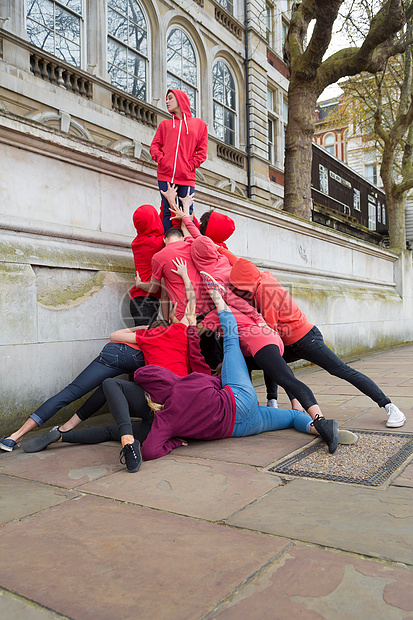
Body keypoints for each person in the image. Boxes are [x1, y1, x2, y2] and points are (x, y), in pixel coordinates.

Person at [136, 280, 348, 467]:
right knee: (230, 341)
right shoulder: (185, 384)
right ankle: (220, 300)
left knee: (293, 417)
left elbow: (149, 451)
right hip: (238, 398)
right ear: (166, 378)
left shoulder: (164, 422)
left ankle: (317, 429)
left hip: (242, 427)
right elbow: (149, 374)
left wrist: (175, 442)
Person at [229, 257, 406, 428]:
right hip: (289, 342)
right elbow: (234, 260)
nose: (239, 292)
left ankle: (390, 407)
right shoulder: (259, 277)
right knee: (266, 360)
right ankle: (272, 402)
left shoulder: (266, 289)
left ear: (245, 282)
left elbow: (269, 330)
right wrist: (215, 247)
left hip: (307, 339)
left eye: (239, 288)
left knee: (341, 370)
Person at [150, 89, 208, 233]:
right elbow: (154, 147)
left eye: (170, 98)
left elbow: (202, 152)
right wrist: (163, 161)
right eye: (167, 99)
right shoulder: (165, 125)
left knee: (187, 212)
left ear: (180, 100)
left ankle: (185, 245)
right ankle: (169, 244)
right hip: (165, 175)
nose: (167, 101)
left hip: (187, 177)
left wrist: (190, 166)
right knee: (168, 212)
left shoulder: (199, 125)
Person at [129, 204, 164, 326]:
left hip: (141, 299)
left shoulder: (139, 241)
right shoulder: (155, 244)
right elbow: (172, 232)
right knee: (143, 340)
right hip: (145, 300)